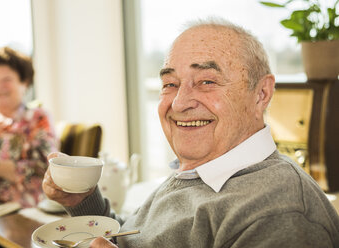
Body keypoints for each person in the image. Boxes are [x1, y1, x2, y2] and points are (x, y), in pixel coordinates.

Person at [43, 18, 339, 247]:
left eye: (207, 81)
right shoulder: (200, 169)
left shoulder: (281, 214)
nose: (180, 103)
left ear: (261, 94)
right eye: (170, 84)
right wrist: (81, 201)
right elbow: (134, 239)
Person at [0, 47, 58, 247]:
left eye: (6, 79)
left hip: (13, 217)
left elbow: (45, 172)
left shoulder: (36, 120)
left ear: (24, 82)